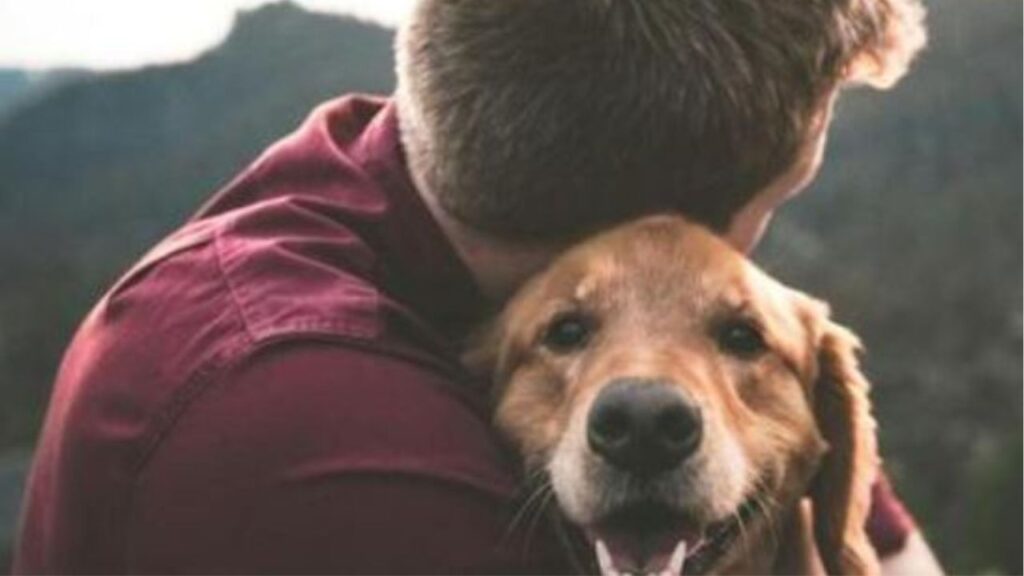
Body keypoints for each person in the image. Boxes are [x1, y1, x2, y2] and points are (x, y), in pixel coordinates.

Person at [14, 0, 942, 573]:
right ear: (655, 220)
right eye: (781, 196)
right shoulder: (328, 447)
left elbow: (886, 552)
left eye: (732, 330)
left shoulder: (396, 173)